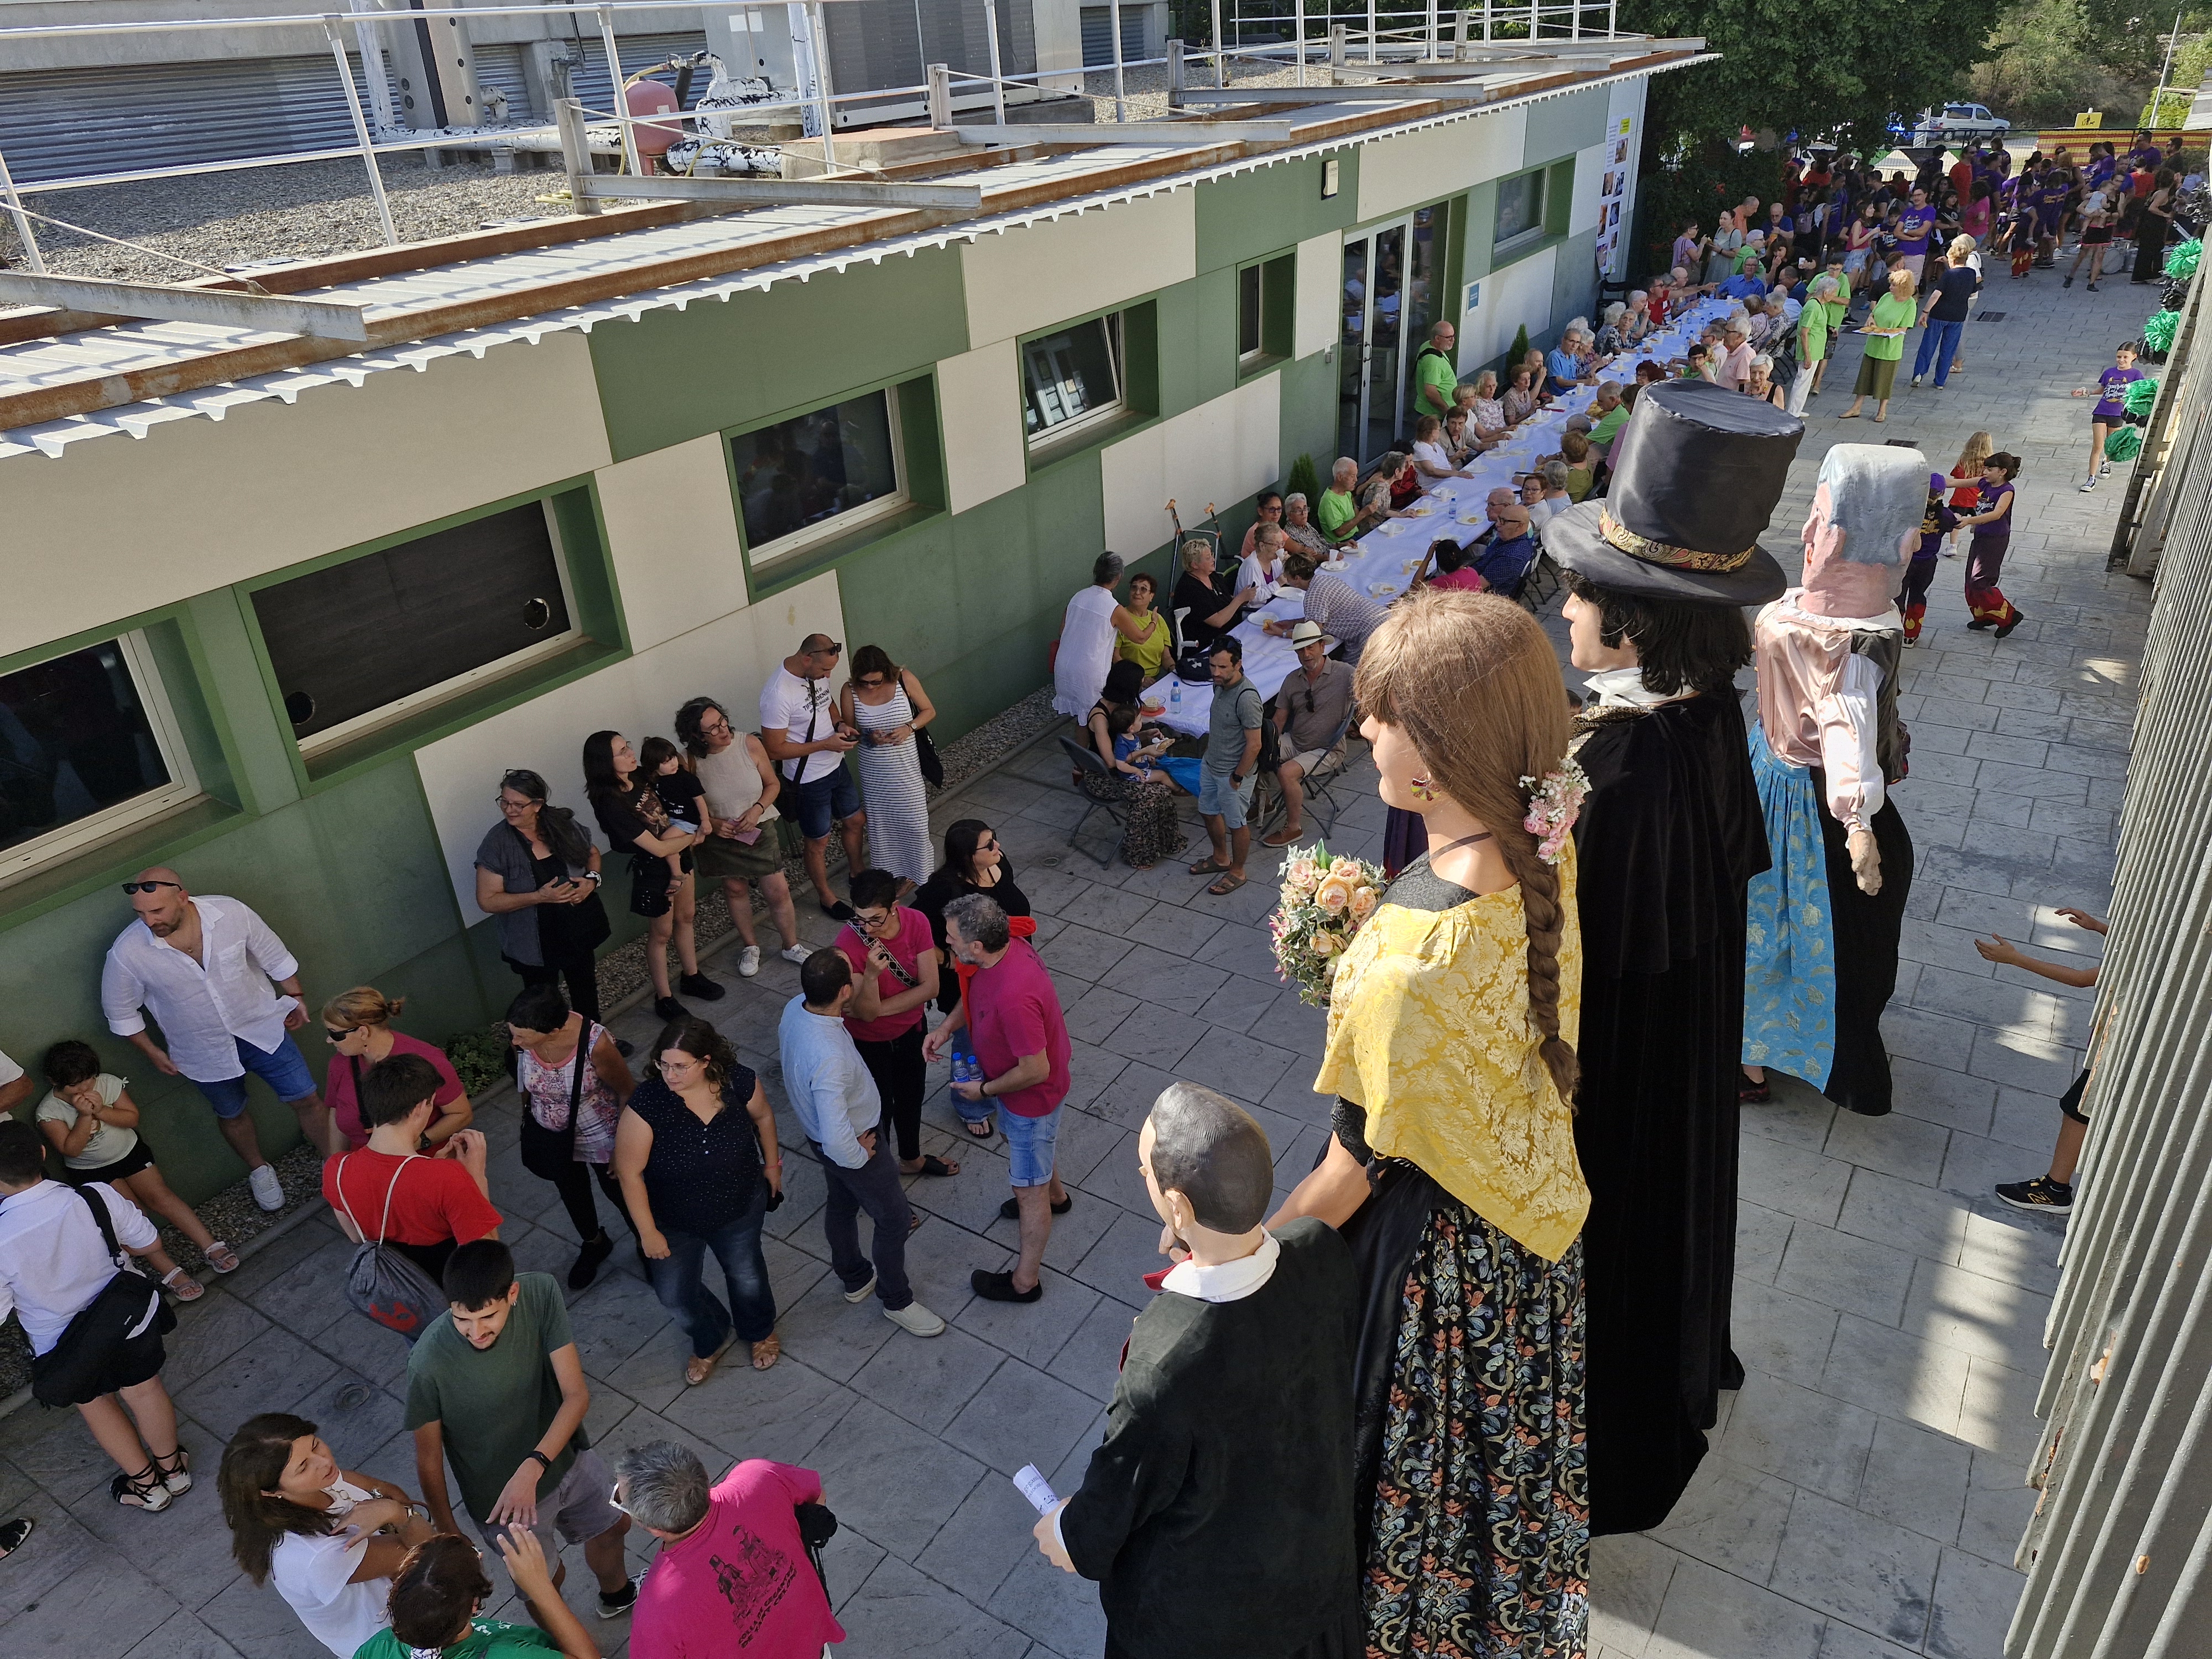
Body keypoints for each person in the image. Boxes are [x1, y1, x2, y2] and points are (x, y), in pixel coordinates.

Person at [1271, 589, 1588, 1657]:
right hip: (1529, 1246)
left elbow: (1355, 1163)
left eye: (1381, 714)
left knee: (1419, 1510)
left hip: (1433, 1282)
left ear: (1439, 751)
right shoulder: (1550, 835)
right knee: (1510, 1503)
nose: (1363, 730)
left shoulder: (1415, 963)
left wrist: (1235, 1255)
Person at [1542, 376, 1791, 1535]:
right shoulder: (1703, 719)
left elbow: (1568, 972)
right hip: (1682, 1049)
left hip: (1619, 1091)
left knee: (1618, 1240)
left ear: (1631, 622)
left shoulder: (1614, 774)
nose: (1562, 608)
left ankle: (1609, 1430)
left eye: (1578, 593)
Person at [1035, 1084, 1362, 1659]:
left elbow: (1118, 1496)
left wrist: (1065, 1532)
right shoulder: (1319, 1249)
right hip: (1315, 1584)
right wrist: (1195, 1244)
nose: (1142, 1176)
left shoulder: (1166, 1362)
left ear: (1180, 1205)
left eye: (1144, 1170)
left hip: (1200, 1627)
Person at [1742, 445, 1923, 1119]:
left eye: (1820, 522)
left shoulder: (1843, 641)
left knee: (1772, 921)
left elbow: (1846, 723)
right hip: (1776, 773)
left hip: (1792, 796)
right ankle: (1765, 1049)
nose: (1807, 534)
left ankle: (1755, 1059)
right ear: (1907, 544)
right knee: (1775, 922)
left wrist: (1854, 823)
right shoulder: (1838, 621)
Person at [405, 1241, 637, 1622]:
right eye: (461, 1319)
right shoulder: (426, 1363)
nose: (474, 1332)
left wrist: (533, 1467)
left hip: (567, 1458)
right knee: (543, 1581)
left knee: (616, 1524)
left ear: (512, 1294)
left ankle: (619, 1595)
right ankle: (564, 1647)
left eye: (487, 1317)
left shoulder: (540, 1292)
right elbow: (428, 1458)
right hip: (500, 1502)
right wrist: (448, 1531)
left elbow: (576, 1396)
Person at [100, 868, 332, 1199]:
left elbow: (273, 954)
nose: (149, 922)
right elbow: (120, 1012)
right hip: (201, 1049)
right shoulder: (127, 952)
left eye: (157, 911)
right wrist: (153, 1052)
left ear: (183, 897)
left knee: (306, 1097)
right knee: (231, 1114)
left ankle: (334, 1164)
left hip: (262, 1029)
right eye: (140, 913)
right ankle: (259, 1170)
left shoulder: (230, 913)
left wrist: (295, 997)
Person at [0, 1117, 189, 1512]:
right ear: (42, 1153)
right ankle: (175, 1471)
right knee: (145, 1390)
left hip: (63, 1344)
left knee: (97, 1405)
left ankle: (147, 1488)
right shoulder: (94, 1196)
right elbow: (147, 1241)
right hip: (128, 1318)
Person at [779, 948, 947, 1337]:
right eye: (854, 975)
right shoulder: (830, 1058)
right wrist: (860, 1154)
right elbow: (841, 1140)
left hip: (819, 1138)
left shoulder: (794, 1009)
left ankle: (854, 1277)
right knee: (894, 1220)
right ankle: (897, 1301)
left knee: (841, 1203)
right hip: (855, 1144)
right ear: (842, 992)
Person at [924, 892, 1073, 1305]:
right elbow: (972, 998)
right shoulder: (1001, 949)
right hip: (1018, 1096)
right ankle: (1057, 1198)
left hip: (1030, 1100)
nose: (946, 941)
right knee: (1030, 1156)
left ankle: (1025, 1283)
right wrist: (947, 1028)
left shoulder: (1015, 996)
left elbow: (1035, 1069)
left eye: (952, 937)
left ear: (976, 945)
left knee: (1028, 1190)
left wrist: (984, 1091)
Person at [614, 1018, 783, 1378]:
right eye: (663, 1064)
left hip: (739, 1206)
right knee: (673, 1295)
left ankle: (759, 1330)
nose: (669, 1074)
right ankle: (711, 1336)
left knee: (747, 1275)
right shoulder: (648, 1105)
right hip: (674, 1220)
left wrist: (773, 1166)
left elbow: (764, 1117)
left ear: (706, 1061)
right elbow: (629, 1173)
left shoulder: (738, 1081)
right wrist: (647, 1232)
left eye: (680, 1066)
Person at [218, 1412, 437, 1659]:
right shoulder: (314, 1555)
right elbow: (427, 1552)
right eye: (303, 1467)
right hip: (395, 1643)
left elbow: (390, 1491)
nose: (323, 1462)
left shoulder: (320, 1481)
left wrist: (395, 1510)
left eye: (315, 1445)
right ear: (271, 1492)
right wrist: (398, 1515)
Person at [35, 1039, 237, 1295]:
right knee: (134, 1216)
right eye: (75, 1083)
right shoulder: (49, 1110)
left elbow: (132, 1118)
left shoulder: (107, 1083)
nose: (85, 1087)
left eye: (89, 1078)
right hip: (91, 1171)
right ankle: (172, 1273)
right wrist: (85, 1116)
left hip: (129, 1152)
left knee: (162, 1197)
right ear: (54, 1080)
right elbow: (70, 1149)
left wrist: (101, 1110)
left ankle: (211, 1247)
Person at [615, 1441, 844, 1659]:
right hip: (813, 1647)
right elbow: (817, 1498)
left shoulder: (655, 1612)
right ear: (703, 1475)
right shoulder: (761, 1477)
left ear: (651, 1527)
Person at [324, 1055, 499, 1290]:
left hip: (402, 1292)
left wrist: (435, 1165)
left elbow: (357, 1236)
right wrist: (476, 1175)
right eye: (431, 1104)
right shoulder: (448, 1178)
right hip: (454, 1289)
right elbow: (487, 1253)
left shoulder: (336, 1169)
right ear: (420, 1108)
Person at [505, 985, 635, 1289]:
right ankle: (594, 1242)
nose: (515, 1041)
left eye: (521, 1036)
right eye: (512, 1033)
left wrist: (621, 1147)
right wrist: (530, 1124)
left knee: (619, 1191)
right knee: (572, 1192)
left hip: (600, 1132)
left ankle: (646, 1242)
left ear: (552, 1031)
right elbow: (525, 1082)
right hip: (552, 1135)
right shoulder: (523, 1040)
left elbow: (627, 1090)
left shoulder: (596, 1043)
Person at [583, 731, 714, 1024]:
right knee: (661, 933)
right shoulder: (610, 801)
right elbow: (655, 848)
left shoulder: (640, 775)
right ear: (605, 762)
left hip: (679, 851)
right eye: (621, 751)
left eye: (627, 746)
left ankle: (692, 976)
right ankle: (664, 997)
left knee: (687, 916)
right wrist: (693, 835)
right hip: (654, 868)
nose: (630, 753)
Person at [1980, 907, 2106, 1213]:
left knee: (2079, 1108)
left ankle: (2055, 1190)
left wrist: (2016, 958)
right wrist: (2099, 927)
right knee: (2080, 1107)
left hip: (2118, 1048)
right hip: (2112, 1044)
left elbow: (2080, 979)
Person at [833, 867, 954, 1178]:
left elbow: (931, 987)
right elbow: (867, 1014)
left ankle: (911, 1158)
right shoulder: (848, 942)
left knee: (912, 1098)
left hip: (912, 1031)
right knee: (878, 1112)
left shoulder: (916, 922)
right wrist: (872, 978)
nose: (867, 927)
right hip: (867, 1043)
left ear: (894, 908)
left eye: (876, 919)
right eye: (860, 918)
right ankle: (883, 1177)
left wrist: (875, 1009)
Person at [673, 696, 805, 978]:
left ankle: (791, 944)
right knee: (735, 889)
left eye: (723, 721)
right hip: (720, 834)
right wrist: (715, 824)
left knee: (777, 890)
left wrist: (757, 811)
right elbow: (687, 807)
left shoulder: (749, 744)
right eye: (714, 729)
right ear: (696, 736)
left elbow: (773, 784)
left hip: (757, 828)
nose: (724, 731)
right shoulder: (687, 762)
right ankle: (750, 945)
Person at [475, 770, 611, 1026]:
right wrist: (539, 897)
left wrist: (592, 880)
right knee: (542, 1005)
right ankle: (554, 1057)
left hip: (576, 928)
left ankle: (594, 1044)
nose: (509, 810)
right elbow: (487, 900)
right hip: (533, 941)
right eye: (504, 802)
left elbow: (591, 852)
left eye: (518, 804)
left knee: (586, 992)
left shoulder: (560, 823)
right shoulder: (497, 843)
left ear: (538, 805)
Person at [356, 1530, 601, 1659]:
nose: (479, 1555)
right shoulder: (509, 1655)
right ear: (475, 1605)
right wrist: (541, 1588)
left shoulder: (377, 1648)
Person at [759, 634, 865, 922]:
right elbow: (774, 749)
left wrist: (839, 723)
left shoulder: (816, 671)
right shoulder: (778, 694)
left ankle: (858, 873)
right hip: (808, 779)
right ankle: (826, 896)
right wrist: (825, 744)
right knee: (818, 841)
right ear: (807, 658)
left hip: (836, 765)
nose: (828, 676)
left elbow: (826, 701)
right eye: (824, 670)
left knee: (855, 820)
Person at [323, 987, 470, 1154]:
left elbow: (461, 1114)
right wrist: (336, 1167)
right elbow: (336, 1115)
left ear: (363, 1032)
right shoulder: (340, 1064)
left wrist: (418, 1143)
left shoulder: (428, 1060)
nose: (329, 1040)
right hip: (366, 1164)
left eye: (335, 1035)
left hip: (422, 1161)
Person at [836, 645, 936, 890]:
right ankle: (890, 876)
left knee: (915, 823)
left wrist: (909, 728)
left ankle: (918, 875)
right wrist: (870, 737)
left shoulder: (904, 678)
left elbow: (929, 711)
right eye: (864, 682)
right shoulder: (849, 691)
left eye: (876, 681)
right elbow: (850, 733)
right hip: (875, 775)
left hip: (906, 770)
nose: (869, 687)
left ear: (886, 671)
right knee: (883, 828)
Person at [1259, 619, 1355, 850]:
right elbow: (1279, 721)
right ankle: (1265, 802)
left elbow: (1372, 694)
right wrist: (1266, 745)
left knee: (1287, 772)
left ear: (1323, 647)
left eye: (1311, 647)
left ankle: (1294, 829)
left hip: (1327, 750)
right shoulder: (1293, 679)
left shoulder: (1345, 673)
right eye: (1301, 649)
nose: (1306, 654)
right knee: (1254, 750)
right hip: (1296, 741)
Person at [1083, 660, 1186, 870]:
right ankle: (1137, 854)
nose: (1141, 687)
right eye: (1139, 684)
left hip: (1122, 771)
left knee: (1162, 790)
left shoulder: (1122, 709)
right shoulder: (1100, 716)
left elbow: (1122, 741)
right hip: (1104, 777)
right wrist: (1145, 751)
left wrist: (1144, 735)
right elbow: (1112, 761)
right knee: (1150, 796)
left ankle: (1167, 842)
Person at [1189, 638, 1264, 899]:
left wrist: (1237, 777)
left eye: (1222, 667)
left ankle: (1238, 870)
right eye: (1212, 666)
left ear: (1238, 664)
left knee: (1237, 823)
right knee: (1207, 811)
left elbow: (1254, 745)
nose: (1216, 673)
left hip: (1233, 774)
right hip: (1212, 764)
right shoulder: (1219, 685)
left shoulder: (1247, 699)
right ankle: (1221, 858)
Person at [1269, 549, 1386, 662]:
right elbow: (1318, 619)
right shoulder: (1325, 579)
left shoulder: (1313, 595)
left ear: (1297, 578)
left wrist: (1282, 633)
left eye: (1287, 576)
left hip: (1369, 632)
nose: (1286, 579)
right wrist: (1292, 623)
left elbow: (1312, 634)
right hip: (1383, 617)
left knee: (1354, 673)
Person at [1053, 551, 1126, 720]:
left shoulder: (1078, 597)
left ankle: (1082, 747)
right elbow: (1140, 637)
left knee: (1082, 719)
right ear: (1118, 578)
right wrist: (1153, 622)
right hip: (1090, 673)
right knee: (1097, 719)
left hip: (1064, 667)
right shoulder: (1114, 608)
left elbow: (1062, 631)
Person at [1959, 451, 2025, 637]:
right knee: (1970, 581)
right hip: (1980, 537)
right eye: (1985, 468)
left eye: (1990, 469)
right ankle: (1984, 616)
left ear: (2003, 471)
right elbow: (1954, 483)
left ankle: (2009, 615)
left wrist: (1968, 521)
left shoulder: (2007, 491)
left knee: (1980, 581)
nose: (1985, 472)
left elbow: (1996, 514)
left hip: (1995, 540)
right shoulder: (1984, 483)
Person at [1840, 267, 1916, 422]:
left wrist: (1885, 331)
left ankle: (1882, 411)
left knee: (1885, 380)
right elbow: (1875, 312)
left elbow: (1903, 329)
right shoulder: (1887, 297)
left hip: (1890, 349)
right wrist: (1871, 319)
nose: (1890, 288)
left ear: (1903, 287)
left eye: (1894, 285)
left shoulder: (1910, 304)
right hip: (1873, 342)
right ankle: (1856, 407)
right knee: (1864, 377)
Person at [2074, 341, 2145, 492]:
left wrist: (2128, 401)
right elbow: (2103, 389)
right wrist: (2087, 392)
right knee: (2097, 446)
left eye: (2125, 357)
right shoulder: (2109, 372)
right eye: (2119, 357)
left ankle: (2106, 462)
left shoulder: (2136, 375)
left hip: (2117, 414)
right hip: (2101, 411)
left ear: (2134, 357)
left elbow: (2140, 394)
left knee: (2111, 445)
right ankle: (2091, 478)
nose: (2121, 360)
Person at [1911, 236, 1978, 390]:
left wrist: (1925, 311)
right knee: (1948, 349)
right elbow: (1972, 293)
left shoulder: (1948, 275)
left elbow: (1936, 295)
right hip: (1958, 316)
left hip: (1939, 314)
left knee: (1928, 345)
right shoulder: (1971, 274)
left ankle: (1919, 374)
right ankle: (1940, 381)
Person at [1901, 472, 1958, 645]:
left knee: (1898, 596)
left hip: (1907, 561)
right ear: (1942, 494)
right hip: (1928, 562)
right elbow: (1953, 526)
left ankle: (1893, 631)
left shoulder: (1911, 511)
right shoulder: (1946, 515)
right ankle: (1911, 635)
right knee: (1918, 596)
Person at [1171, 538, 1255, 653]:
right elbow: (1218, 621)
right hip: (1209, 646)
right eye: (1208, 558)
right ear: (1195, 565)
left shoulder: (1212, 575)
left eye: (1212, 555)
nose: (1213, 560)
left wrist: (1245, 598)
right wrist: (1240, 599)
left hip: (1234, 633)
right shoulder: (1189, 589)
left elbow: (1226, 600)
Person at [1471, 499, 1540, 598]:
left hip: (1486, 599)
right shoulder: (1509, 538)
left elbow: (1476, 586)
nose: (1497, 524)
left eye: (1503, 521)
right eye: (1499, 519)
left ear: (1519, 526)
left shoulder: (1511, 557)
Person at [1788, 273, 1835, 415]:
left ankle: (1798, 409)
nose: (1834, 296)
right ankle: (1793, 412)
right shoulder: (1813, 306)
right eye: (1833, 293)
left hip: (1816, 349)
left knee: (1806, 382)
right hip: (1810, 349)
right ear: (1826, 293)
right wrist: (1807, 355)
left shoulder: (1820, 305)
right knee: (1802, 381)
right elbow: (1804, 332)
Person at [1112, 570, 1172, 681]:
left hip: (1158, 677)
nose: (1137, 592)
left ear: (1151, 596)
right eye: (1134, 588)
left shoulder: (1158, 619)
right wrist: (1141, 679)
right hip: (1131, 680)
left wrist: (1173, 669)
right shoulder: (1121, 617)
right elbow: (1115, 658)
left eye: (1143, 589)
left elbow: (1166, 656)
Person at [2065, 178, 2116, 288]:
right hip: (2093, 227)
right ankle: (2071, 275)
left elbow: (2119, 214)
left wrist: (2109, 215)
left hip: (2106, 228)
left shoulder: (2116, 200)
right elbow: (2080, 208)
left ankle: (2092, 283)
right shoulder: (2096, 197)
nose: (2111, 191)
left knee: (2099, 256)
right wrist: (2090, 215)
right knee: (2083, 254)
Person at [2131, 168, 2176, 283]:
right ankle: (2152, 274)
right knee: (2153, 250)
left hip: (2151, 225)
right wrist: (2166, 215)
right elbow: (2153, 208)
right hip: (2154, 226)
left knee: (2148, 250)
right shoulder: (2162, 194)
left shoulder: (2158, 192)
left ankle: (2143, 275)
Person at [1413, 319, 1460, 418]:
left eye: (1453, 336)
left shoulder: (1428, 345)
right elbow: (1430, 393)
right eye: (1449, 337)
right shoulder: (1433, 362)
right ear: (1437, 338)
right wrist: (1447, 411)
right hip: (1434, 416)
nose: (1453, 340)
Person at [1316, 457, 1362, 545]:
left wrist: (1355, 506)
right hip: (1342, 545)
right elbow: (1340, 532)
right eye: (1352, 476)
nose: (1356, 480)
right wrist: (1363, 514)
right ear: (1340, 477)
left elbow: (1355, 514)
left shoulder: (1347, 493)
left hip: (1356, 536)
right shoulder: (1329, 501)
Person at [1280, 492, 1329, 559]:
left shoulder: (1306, 525)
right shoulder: (1290, 533)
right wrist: (1324, 557)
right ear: (1290, 515)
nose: (1304, 513)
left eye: (1305, 509)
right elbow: (1306, 557)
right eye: (1299, 510)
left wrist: (1338, 545)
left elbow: (1322, 543)